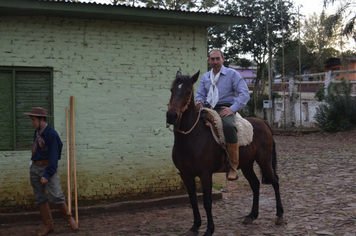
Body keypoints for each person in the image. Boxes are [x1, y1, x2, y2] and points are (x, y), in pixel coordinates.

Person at [196, 49, 250, 181]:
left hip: (224, 107)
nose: (215, 62)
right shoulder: (205, 77)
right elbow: (200, 95)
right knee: (192, 126)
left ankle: (232, 165)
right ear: (208, 61)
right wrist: (198, 103)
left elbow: (244, 93)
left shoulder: (232, 74)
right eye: (212, 59)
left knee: (229, 126)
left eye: (217, 59)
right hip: (207, 107)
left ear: (223, 59)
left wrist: (232, 109)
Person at [24, 107, 78, 236]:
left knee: (56, 195)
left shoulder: (51, 134)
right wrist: (33, 166)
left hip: (48, 168)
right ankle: (48, 225)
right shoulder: (37, 133)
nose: (32, 122)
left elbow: (54, 157)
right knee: (40, 198)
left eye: (33, 120)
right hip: (35, 168)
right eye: (31, 120)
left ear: (42, 119)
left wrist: (47, 174)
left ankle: (69, 219)